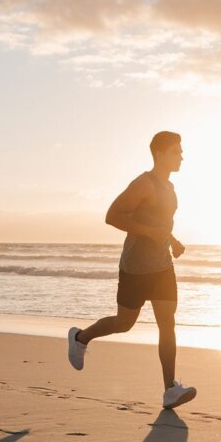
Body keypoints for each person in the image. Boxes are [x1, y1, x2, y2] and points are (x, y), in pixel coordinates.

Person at [67, 131, 197, 410]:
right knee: (124, 323)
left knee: (167, 324)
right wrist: (149, 232)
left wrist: (172, 241)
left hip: (162, 266)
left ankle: (169, 390)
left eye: (181, 151)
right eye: (176, 151)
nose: (182, 156)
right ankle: (80, 338)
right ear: (159, 154)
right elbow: (112, 216)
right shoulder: (143, 184)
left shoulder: (170, 188)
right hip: (136, 267)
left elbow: (161, 222)